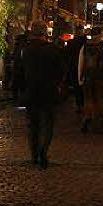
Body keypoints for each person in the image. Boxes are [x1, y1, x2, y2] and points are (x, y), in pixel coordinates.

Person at [20, 22, 64, 168]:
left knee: (33, 124)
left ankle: (34, 154)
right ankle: (43, 151)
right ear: (45, 33)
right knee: (47, 124)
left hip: (31, 91)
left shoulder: (26, 50)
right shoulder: (53, 50)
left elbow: (20, 72)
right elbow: (61, 71)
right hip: (49, 91)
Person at [66, 26, 87, 113]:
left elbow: (67, 54)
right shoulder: (85, 42)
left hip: (73, 66)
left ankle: (79, 105)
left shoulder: (71, 42)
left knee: (76, 86)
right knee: (83, 86)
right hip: (84, 66)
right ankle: (85, 104)